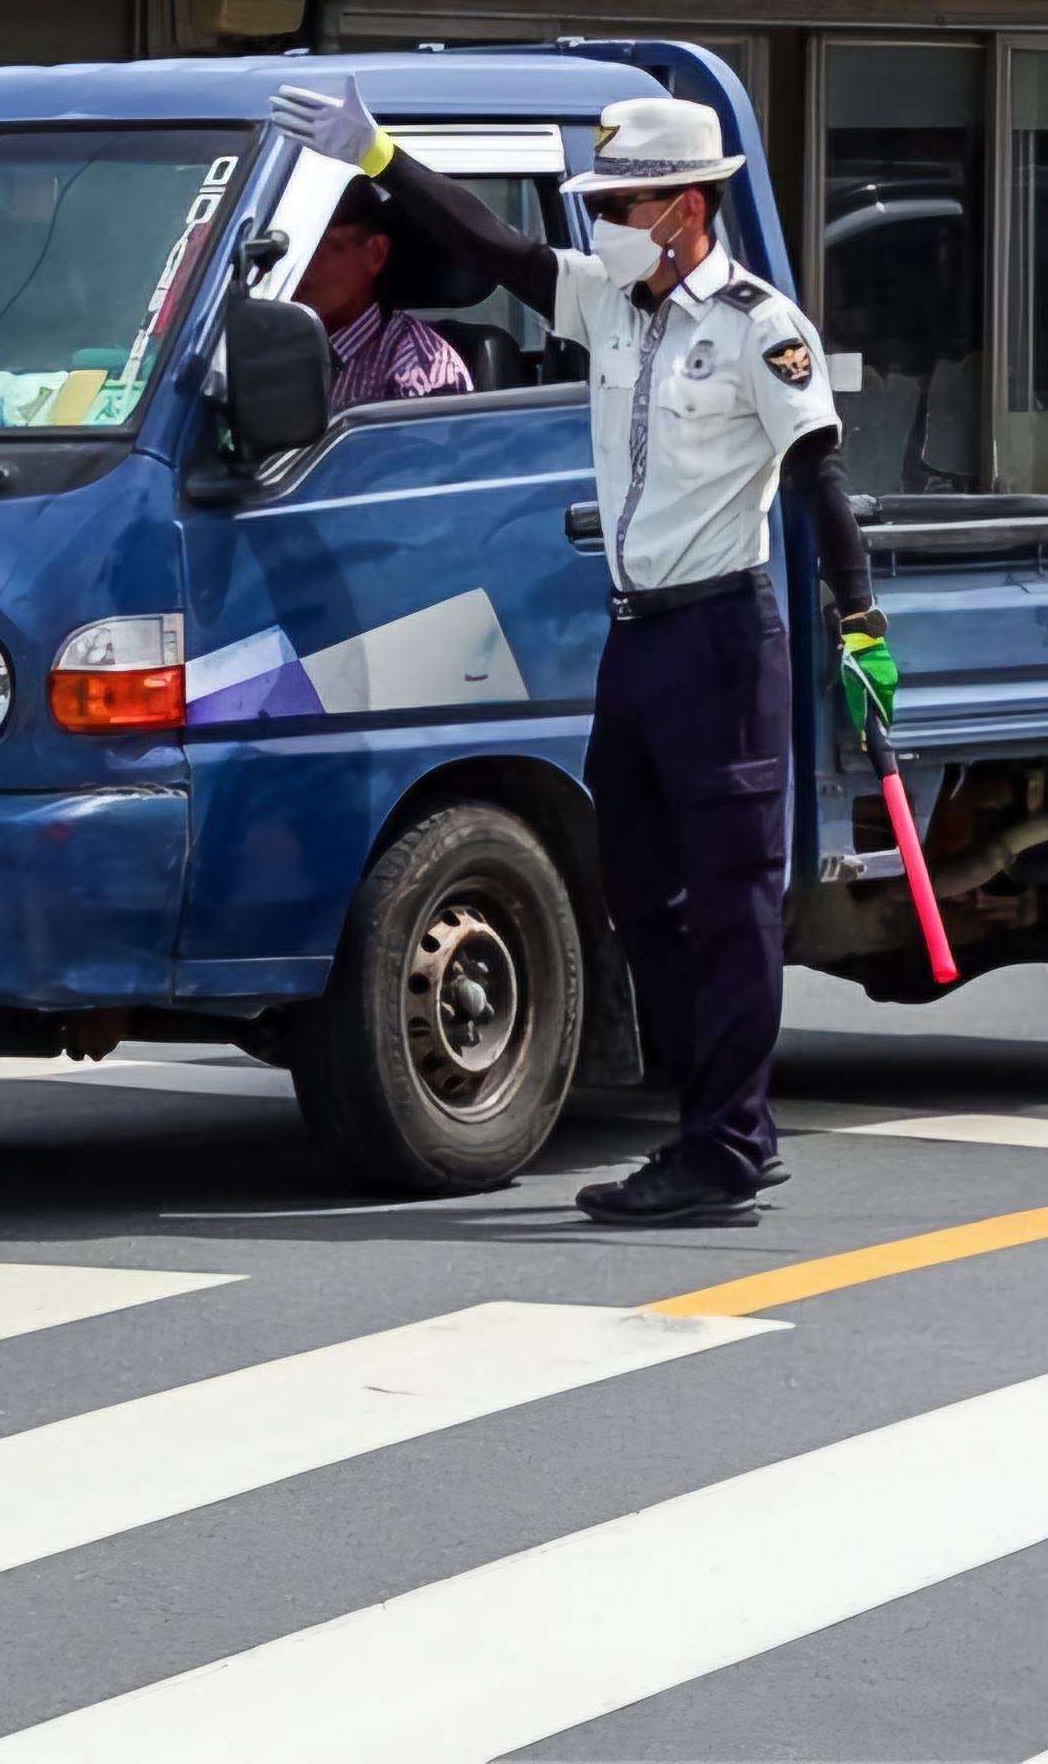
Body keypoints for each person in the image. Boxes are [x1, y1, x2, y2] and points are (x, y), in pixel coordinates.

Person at [272, 75, 890, 1230]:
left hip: (722, 634)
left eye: (627, 198)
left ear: (689, 206)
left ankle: (726, 1143)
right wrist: (382, 157)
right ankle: (710, 1120)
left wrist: (859, 626)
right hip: (637, 637)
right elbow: (499, 247)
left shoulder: (759, 323)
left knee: (735, 900)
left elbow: (820, 481)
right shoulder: (612, 303)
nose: (606, 217)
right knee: (641, 891)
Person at [295, 176, 473, 409]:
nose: (298, 266)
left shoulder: (422, 368)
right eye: (291, 249)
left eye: (319, 247)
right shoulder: (264, 346)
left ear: (376, 254)